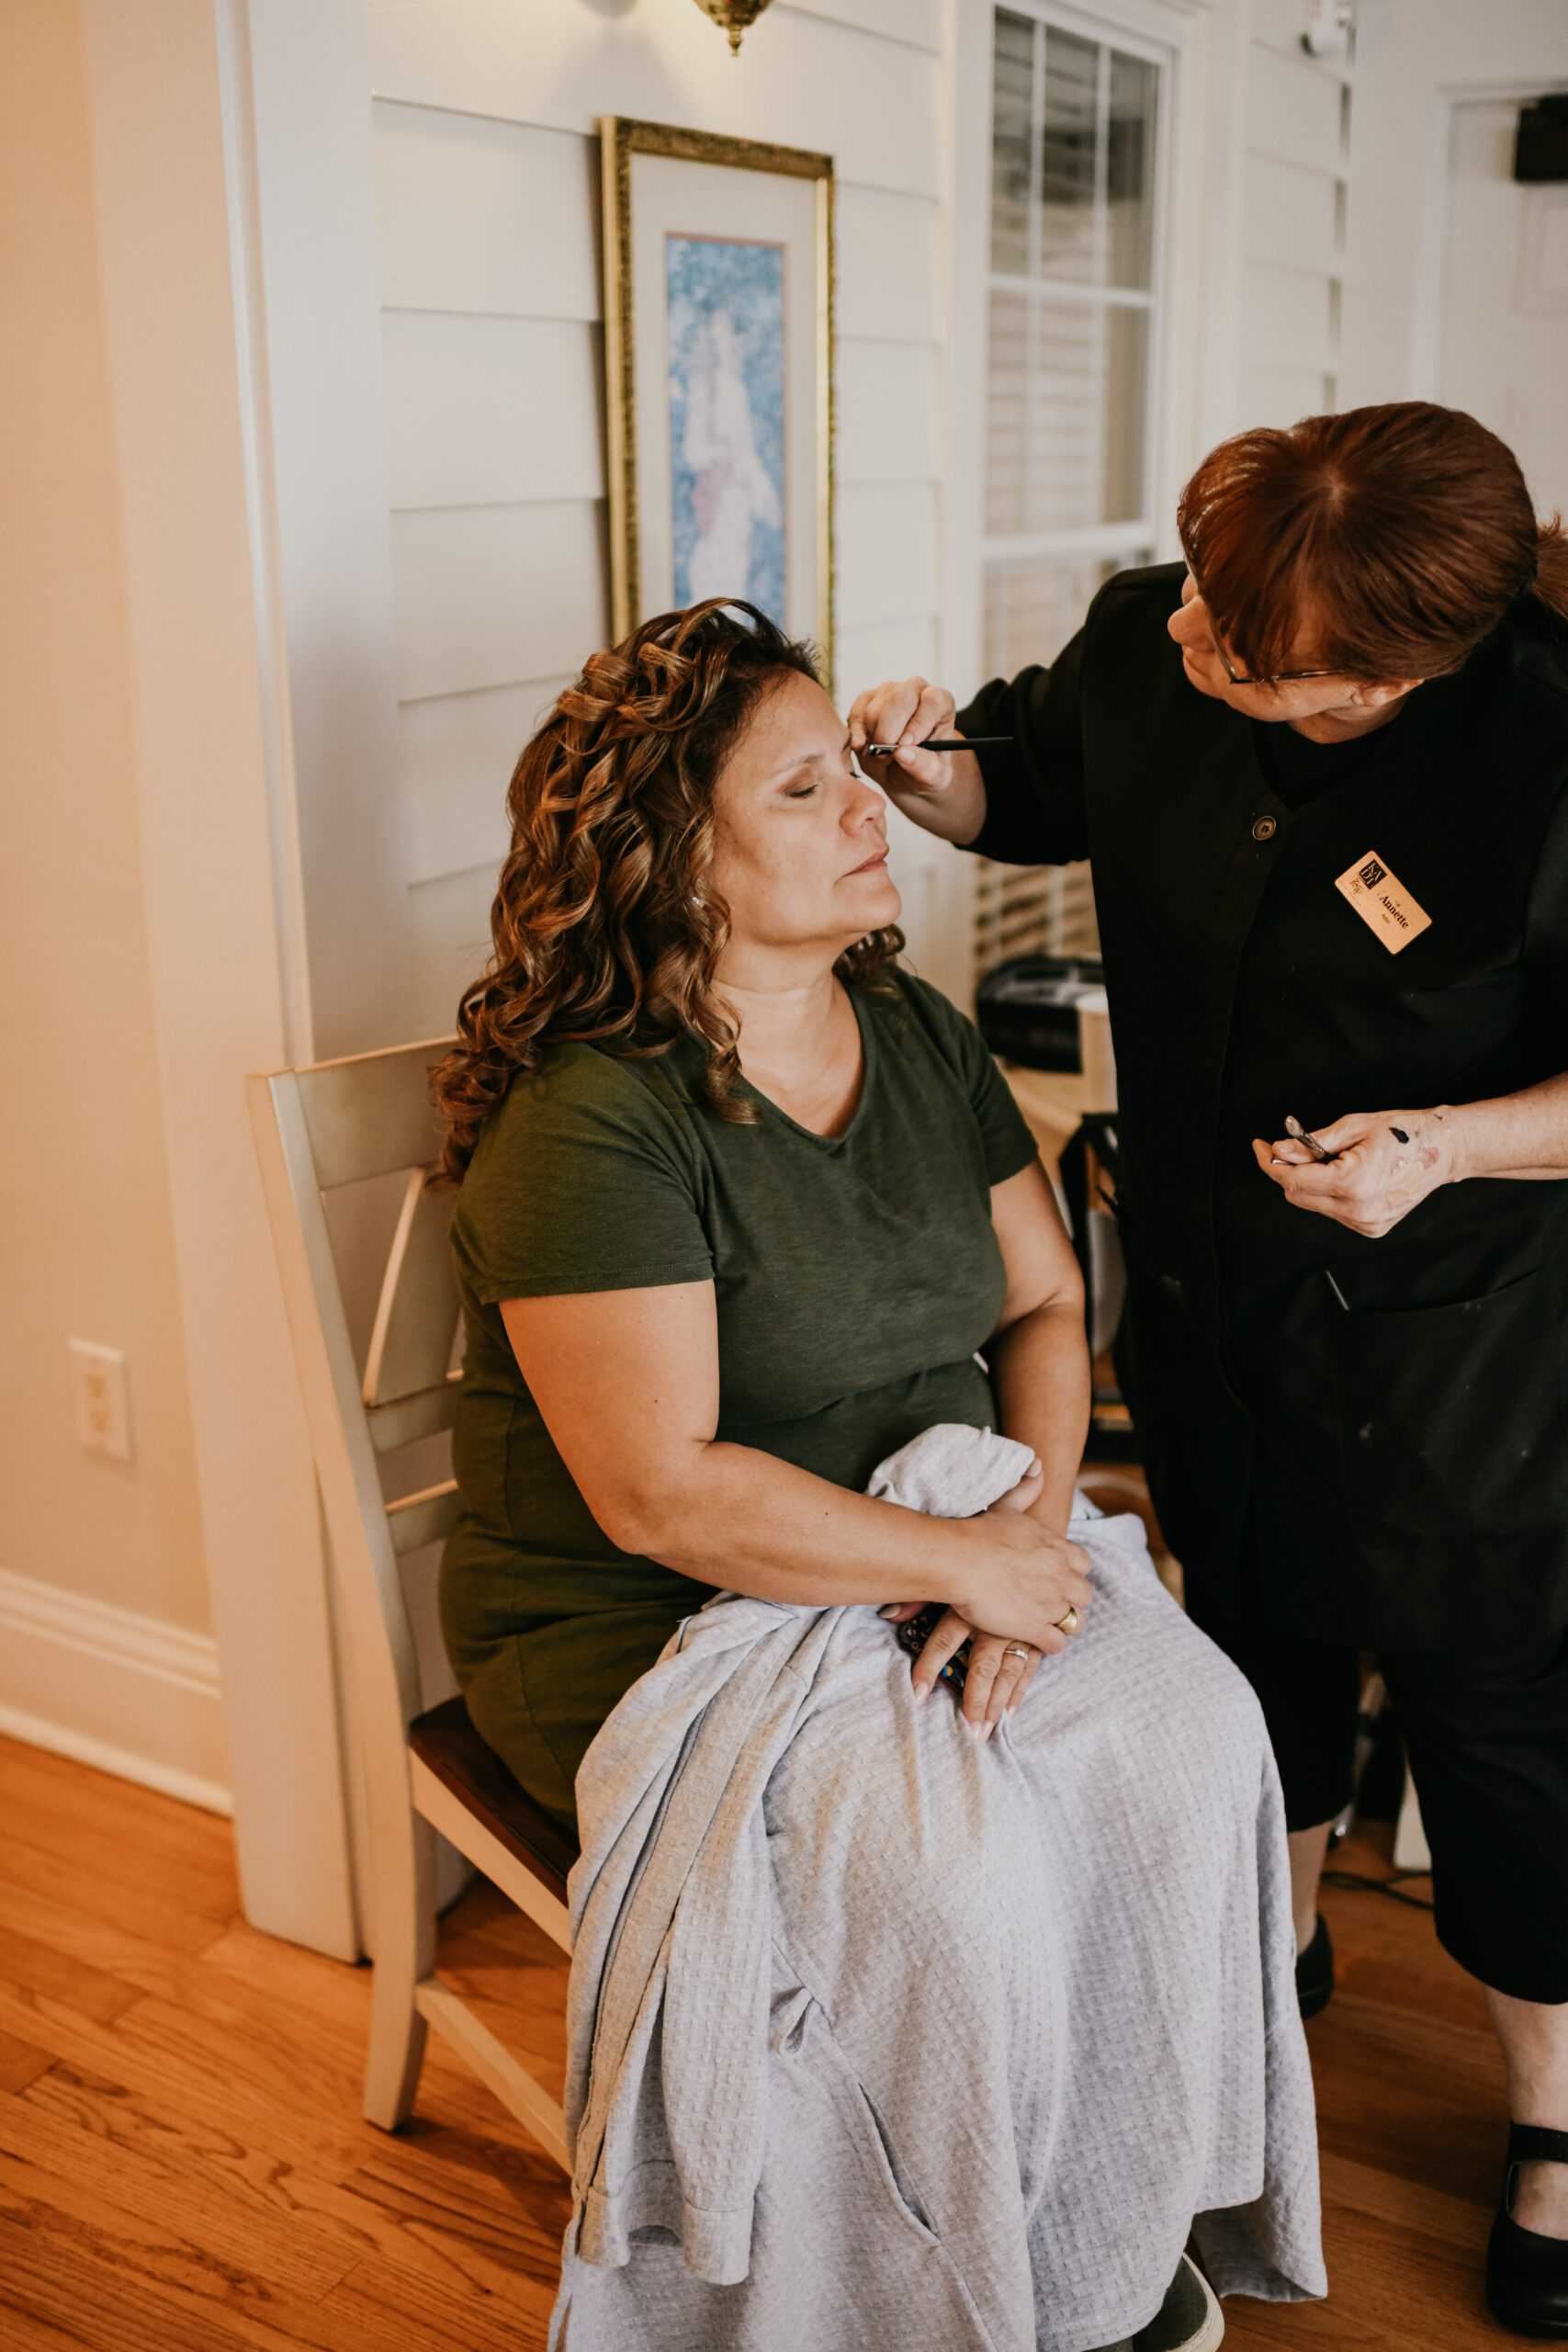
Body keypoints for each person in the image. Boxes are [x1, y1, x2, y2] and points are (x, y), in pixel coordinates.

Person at [432, 599, 1324, 2349]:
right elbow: (663, 1495)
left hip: (941, 1539)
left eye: (853, 767)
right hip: (658, 1621)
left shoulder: (908, 1030)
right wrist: (967, 1569)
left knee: (1193, 1742)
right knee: (953, 1882)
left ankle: (1095, 2219)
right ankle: (934, 2297)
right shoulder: (597, 1115)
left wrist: (1023, 1530)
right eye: (804, 788)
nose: (870, 811)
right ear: (675, 861)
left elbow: (1052, 1299)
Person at [848, 401, 1568, 2341]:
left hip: (1464, 1339)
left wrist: (1443, 1143)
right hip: (1205, 1286)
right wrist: (929, 772)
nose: (1180, 643)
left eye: (1241, 655)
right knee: (1251, 1636)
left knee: (1494, 1706)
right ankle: (1274, 1957)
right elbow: (1025, 777)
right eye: (1191, 599)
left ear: (1388, 677)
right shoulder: (1160, 626)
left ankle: (1555, 2119)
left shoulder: (1547, 746)